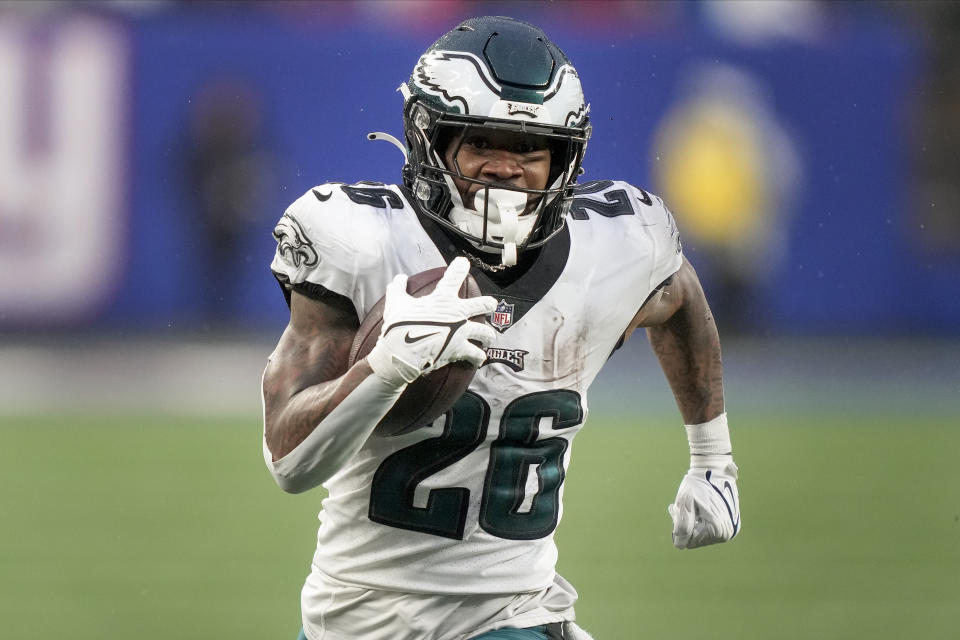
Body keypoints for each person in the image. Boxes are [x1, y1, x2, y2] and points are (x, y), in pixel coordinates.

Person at [262, 16, 741, 640]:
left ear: (564, 160)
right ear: (430, 142)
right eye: (483, 142)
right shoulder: (363, 241)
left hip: (512, 612)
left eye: (529, 148)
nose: (506, 168)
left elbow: (680, 299)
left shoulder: (615, 245)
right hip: (361, 619)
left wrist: (713, 460)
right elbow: (290, 464)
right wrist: (381, 371)